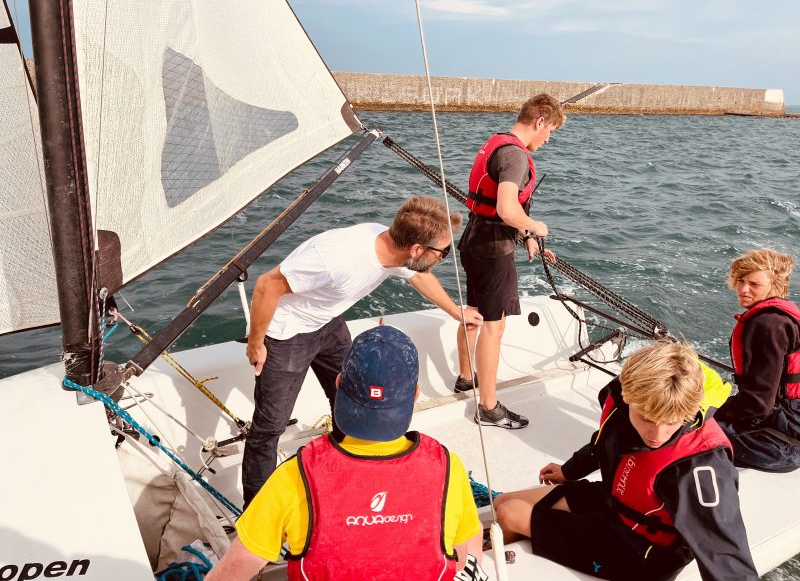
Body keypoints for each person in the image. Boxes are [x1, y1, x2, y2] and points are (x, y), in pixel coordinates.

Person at [242, 196, 483, 508]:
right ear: (416, 250)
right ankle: (256, 513)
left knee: (353, 401)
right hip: (287, 334)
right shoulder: (336, 258)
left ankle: (346, 479)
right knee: (269, 427)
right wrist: (256, 343)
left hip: (328, 324)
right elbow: (266, 285)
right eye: (443, 252)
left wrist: (455, 311)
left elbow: (419, 275)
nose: (444, 258)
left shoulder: (392, 248)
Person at [208, 326, 486, 581]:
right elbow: (465, 554)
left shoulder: (295, 475)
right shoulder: (447, 466)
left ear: (339, 383)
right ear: (414, 394)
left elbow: (236, 567)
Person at [493, 341, 758, 581]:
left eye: (671, 423)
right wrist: (569, 470)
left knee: (509, 513)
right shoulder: (628, 398)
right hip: (613, 506)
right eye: (646, 419)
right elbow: (607, 441)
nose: (657, 435)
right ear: (627, 397)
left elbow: (725, 555)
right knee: (502, 503)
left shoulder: (700, 466)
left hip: (640, 554)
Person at [455, 93, 563, 429]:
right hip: (493, 249)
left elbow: (496, 210)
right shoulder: (515, 156)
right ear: (540, 121)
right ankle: (488, 406)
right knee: (493, 324)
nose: (548, 139)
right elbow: (506, 207)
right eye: (551, 131)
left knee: (473, 311)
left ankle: (464, 377)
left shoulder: (497, 143)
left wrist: (526, 237)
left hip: (474, 240)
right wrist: (535, 226)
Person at [716, 248, 800, 472]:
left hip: (778, 446)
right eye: (740, 280)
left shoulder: (768, 325)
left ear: (776, 286)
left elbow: (758, 404)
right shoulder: (784, 319)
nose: (743, 289)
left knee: (679, 430)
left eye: (754, 284)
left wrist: (713, 413)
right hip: (790, 429)